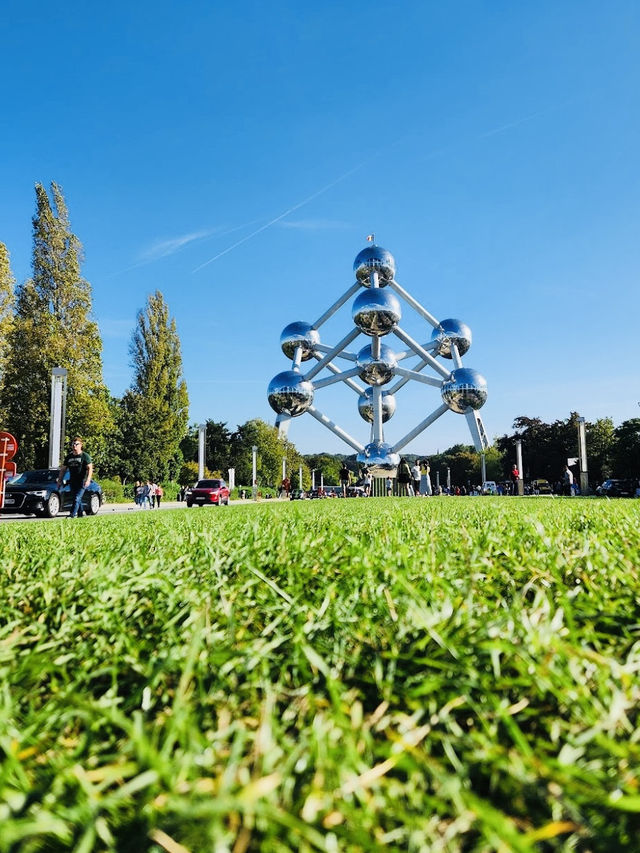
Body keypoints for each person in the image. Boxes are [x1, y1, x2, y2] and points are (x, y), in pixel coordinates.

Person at [57, 437, 93, 518]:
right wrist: (59, 480)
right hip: (72, 481)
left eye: (77, 444)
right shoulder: (69, 457)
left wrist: (88, 480)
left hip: (82, 481)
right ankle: (80, 515)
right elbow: (63, 469)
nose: (74, 446)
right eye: (73, 444)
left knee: (77, 498)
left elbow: (90, 468)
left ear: (81, 445)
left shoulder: (85, 456)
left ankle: (72, 515)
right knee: (76, 499)